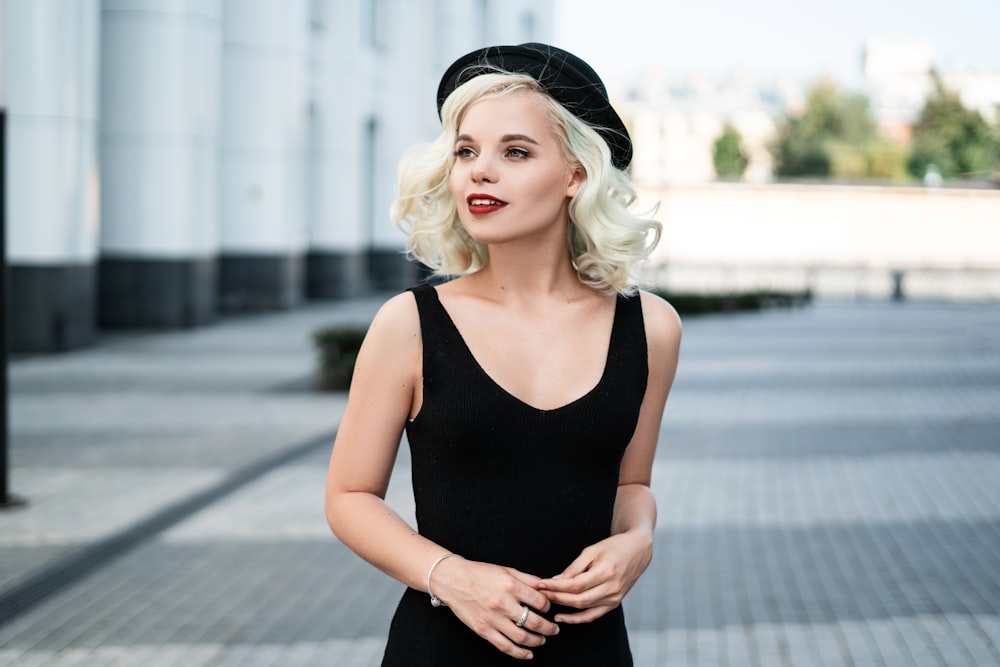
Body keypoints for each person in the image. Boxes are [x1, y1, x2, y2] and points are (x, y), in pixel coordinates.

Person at [325, 43, 682, 665]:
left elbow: (631, 483)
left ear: (577, 174)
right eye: (467, 151)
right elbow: (349, 496)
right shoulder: (409, 324)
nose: (479, 171)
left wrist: (638, 540)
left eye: (514, 152)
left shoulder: (651, 326)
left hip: (592, 651)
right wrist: (450, 576)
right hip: (440, 650)